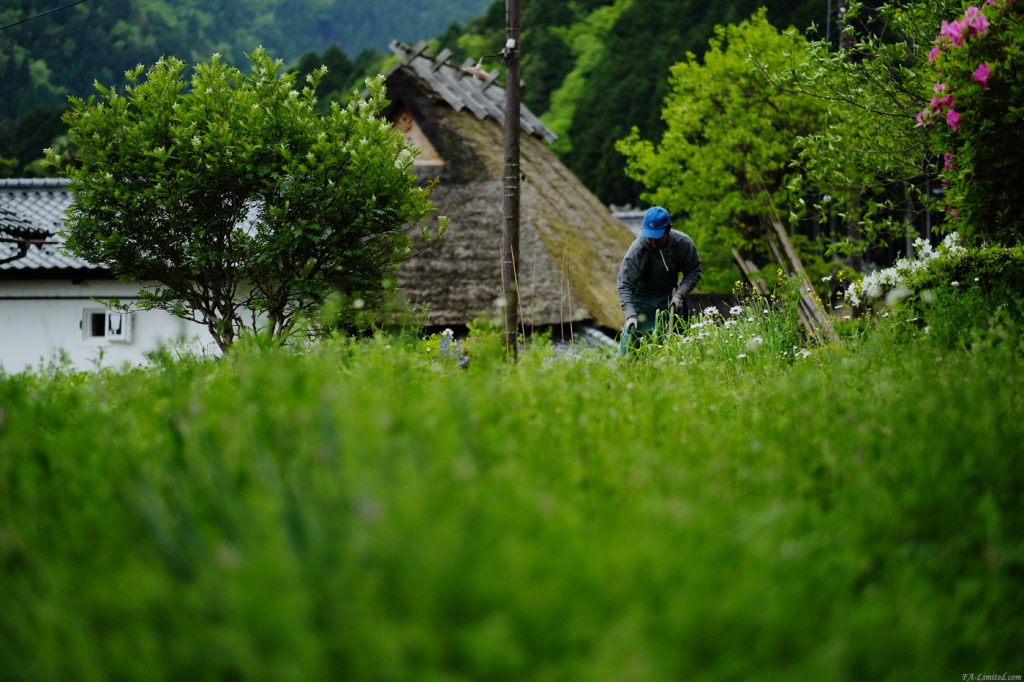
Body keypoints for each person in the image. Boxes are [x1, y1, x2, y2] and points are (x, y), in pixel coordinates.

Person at [616, 206, 702, 352]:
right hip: (640, 301)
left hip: (669, 300)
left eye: (657, 237)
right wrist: (630, 314)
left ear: (668, 229)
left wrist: (679, 295)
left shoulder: (683, 244)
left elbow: (694, 271)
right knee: (629, 350)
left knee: (674, 349)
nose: (652, 241)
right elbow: (624, 284)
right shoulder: (637, 250)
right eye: (649, 236)